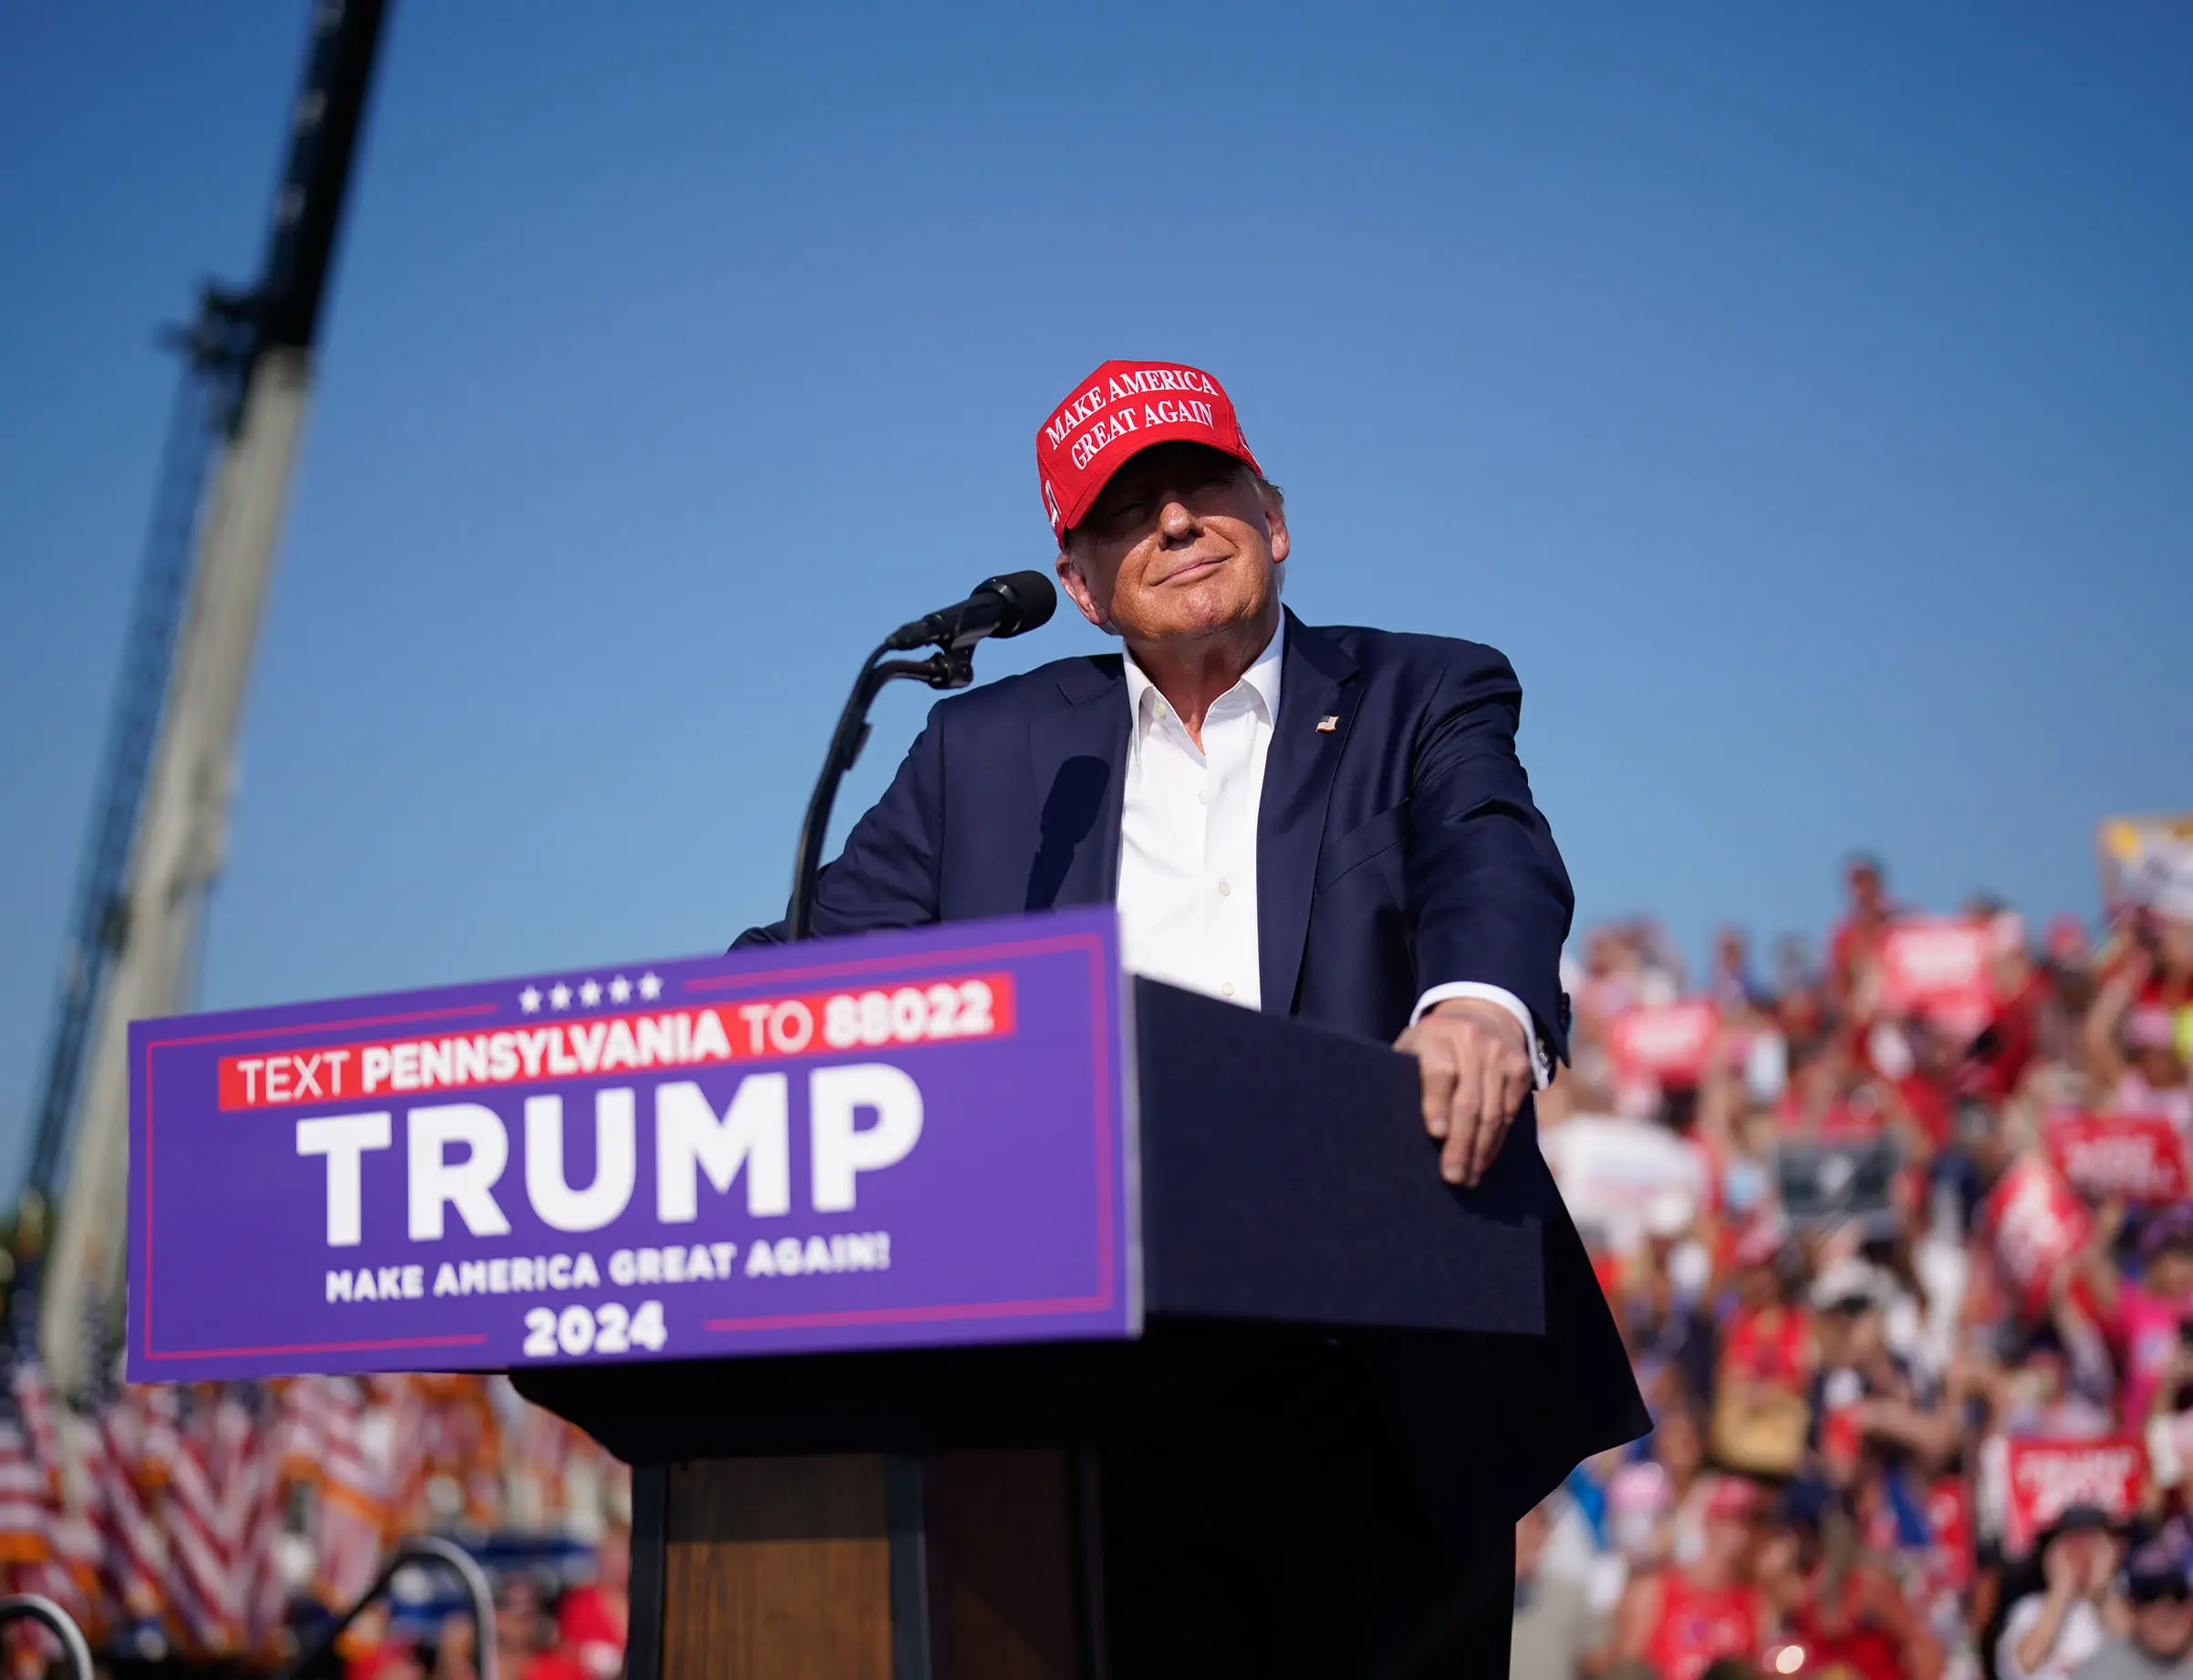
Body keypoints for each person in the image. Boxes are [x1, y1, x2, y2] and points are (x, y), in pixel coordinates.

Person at [735, 359, 1647, 1676]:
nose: (1172, 522)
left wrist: (1478, 1005)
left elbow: (1487, 857)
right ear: (1083, 582)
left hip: (1377, 1385)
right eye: (1126, 509)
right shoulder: (977, 758)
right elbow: (805, 962)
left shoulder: (1423, 692)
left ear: (1271, 516)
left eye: (1199, 486)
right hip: (1080, 1405)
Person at [1614, 1476, 1767, 1680]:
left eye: (1747, 1521)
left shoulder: (1755, 1600)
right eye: (1725, 1518)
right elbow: (1626, 1668)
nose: (1739, 1532)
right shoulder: (1655, 1589)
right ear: (1705, 1520)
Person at [1997, 1507, 2125, 1680]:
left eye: (2092, 1543)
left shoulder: (2128, 1600)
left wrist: (2101, 1589)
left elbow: (2140, 1660)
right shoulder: (2030, 1608)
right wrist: (2061, 1590)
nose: (2082, 1553)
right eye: (2073, 1543)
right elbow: (2024, 1663)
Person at [1512, 1498, 1609, 1680]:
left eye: (1542, 1523)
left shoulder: (1569, 1595)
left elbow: (1597, 1659)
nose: (1534, 1532)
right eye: (1527, 1522)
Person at [2075, 1540, 2193, 1680]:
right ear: (2130, 1608)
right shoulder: (2102, 1672)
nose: (2166, 1610)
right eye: (2149, 1595)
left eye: (2178, 1595)